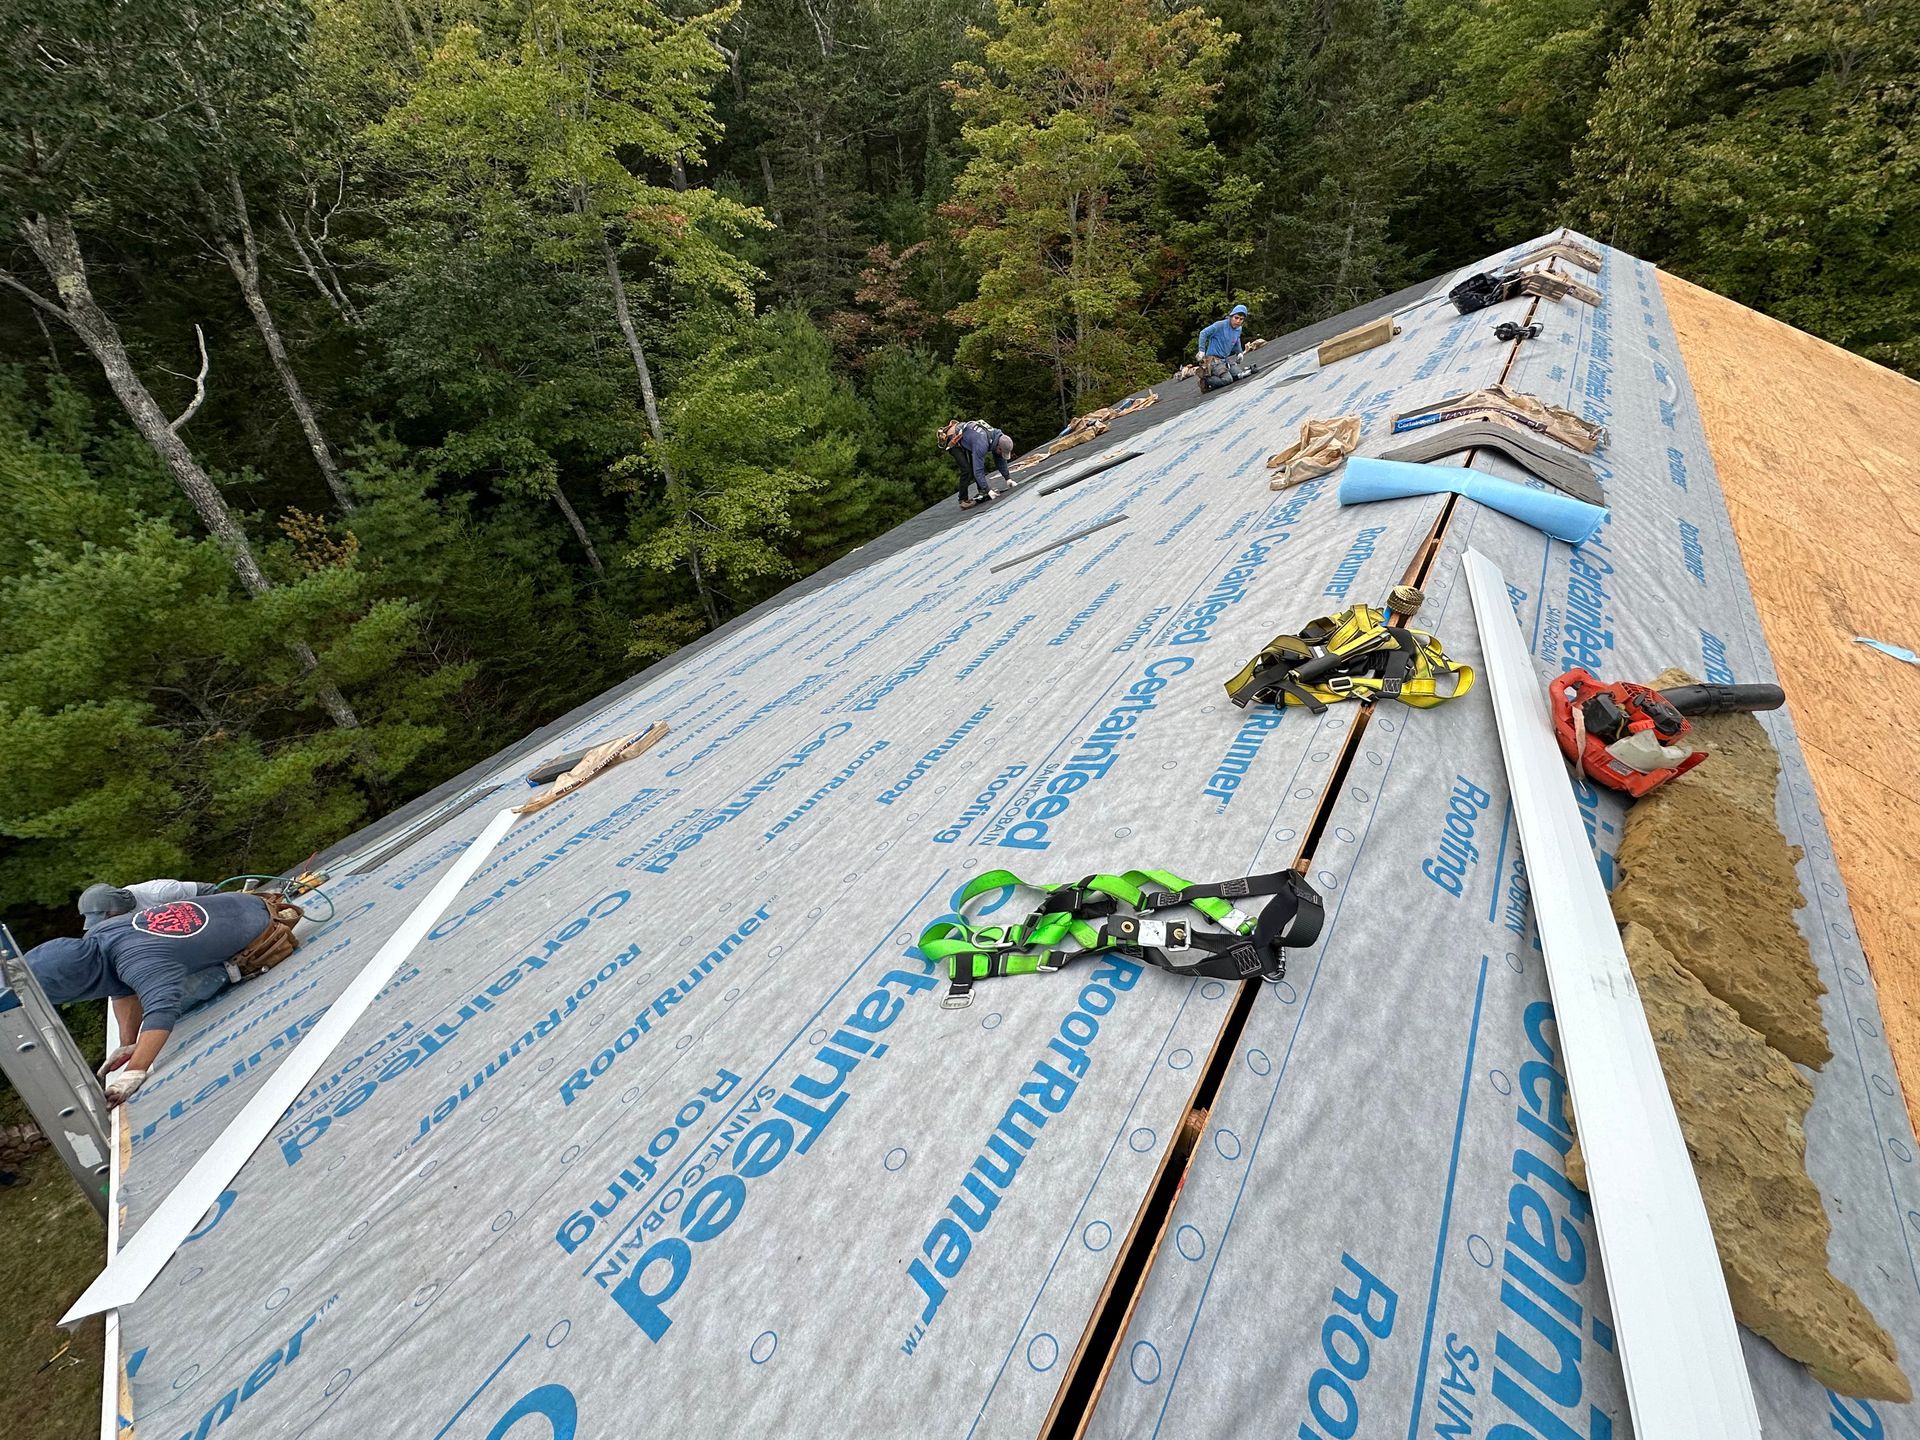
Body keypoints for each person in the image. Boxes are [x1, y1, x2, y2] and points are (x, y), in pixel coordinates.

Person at [24, 891, 290, 1105]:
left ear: (75, 986)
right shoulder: (98, 936)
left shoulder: (139, 961)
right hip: (241, 903)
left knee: (170, 997)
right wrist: (128, 1043)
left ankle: (233, 969)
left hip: (261, 926)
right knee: (149, 989)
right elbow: (120, 987)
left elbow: (161, 1012)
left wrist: (134, 1072)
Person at [78, 878, 217, 932]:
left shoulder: (160, 892)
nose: (108, 920)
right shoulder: (122, 913)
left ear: (115, 905)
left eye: (107, 915)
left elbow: (211, 891)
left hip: (206, 912)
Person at [940, 418, 1019, 509]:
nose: (1002, 455)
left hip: (968, 437)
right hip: (953, 439)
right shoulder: (982, 443)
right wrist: (988, 490)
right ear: (999, 448)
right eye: (1002, 452)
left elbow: (1000, 459)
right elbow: (978, 470)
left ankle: (982, 490)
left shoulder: (998, 437)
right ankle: (963, 499)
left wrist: (1008, 479)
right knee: (967, 470)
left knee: (975, 464)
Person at [1195, 303, 1256, 391]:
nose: (1238, 321)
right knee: (1228, 380)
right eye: (1236, 318)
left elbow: (1236, 340)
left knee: (1239, 374)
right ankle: (1205, 380)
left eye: (1241, 319)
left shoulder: (1238, 329)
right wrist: (1201, 350)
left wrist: (1239, 353)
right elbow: (1203, 333)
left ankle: (1220, 374)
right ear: (1231, 316)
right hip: (1213, 360)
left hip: (1225, 359)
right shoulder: (1220, 325)